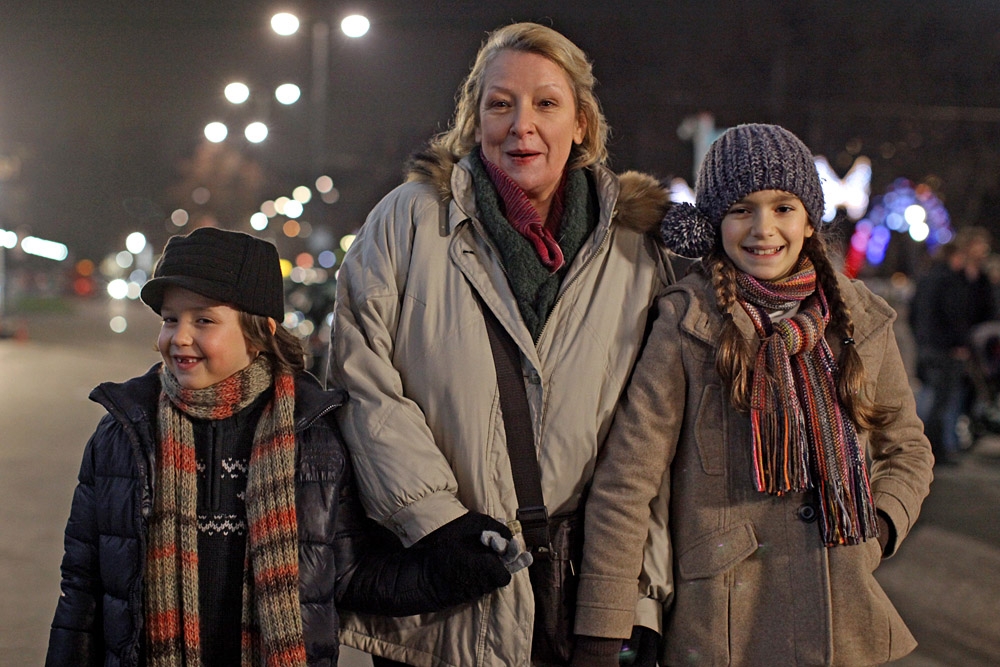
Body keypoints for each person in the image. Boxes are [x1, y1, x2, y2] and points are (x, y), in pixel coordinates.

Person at [327, 21, 675, 667]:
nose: (522, 126)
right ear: (474, 118)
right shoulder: (408, 220)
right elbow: (360, 380)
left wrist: (642, 600)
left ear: (581, 123)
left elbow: (652, 445)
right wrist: (436, 521)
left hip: (577, 602)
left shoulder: (636, 252)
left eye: (546, 103)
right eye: (500, 104)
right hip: (441, 594)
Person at [45, 227, 526, 667]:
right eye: (171, 319)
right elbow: (83, 589)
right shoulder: (124, 434)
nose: (180, 337)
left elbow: (350, 575)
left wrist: (452, 568)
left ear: (259, 333)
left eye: (204, 320)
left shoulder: (311, 437)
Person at [574, 124, 935, 666]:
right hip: (726, 627)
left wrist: (878, 528)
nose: (763, 229)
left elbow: (907, 448)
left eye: (783, 207)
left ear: (809, 219)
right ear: (713, 223)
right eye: (741, 209)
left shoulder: (859, 320)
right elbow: (626, 483)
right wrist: (603, 632)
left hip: (843, 623)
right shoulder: (687, 324)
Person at [909, 227, 993, 464]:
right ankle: (933, 451)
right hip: (945, 349)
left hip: (928, 346)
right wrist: (957, 343)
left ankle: (922, 448)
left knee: (930, 398)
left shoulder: (928, 277)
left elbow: (915, 313)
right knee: (940, 403)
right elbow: (952, 315)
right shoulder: (948, 281)